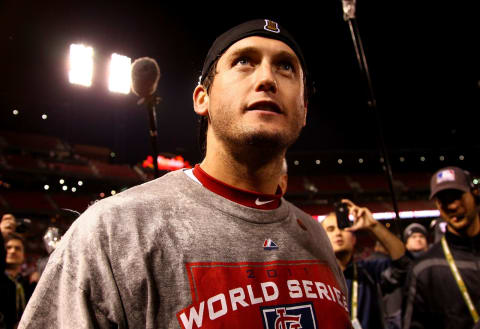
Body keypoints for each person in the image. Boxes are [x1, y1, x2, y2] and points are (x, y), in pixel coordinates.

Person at [19, 19, 351, 328]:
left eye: (286, 67)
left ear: (304, 110)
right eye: (243, 61)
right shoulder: (112, 231)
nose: (267, 78)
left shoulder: (315, 236)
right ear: (201, 98)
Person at [403, 166, 480, 329]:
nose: (452, 206)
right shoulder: (424, 269)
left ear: (475, 194)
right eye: (443, 200)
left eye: (457, 197)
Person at [321, 199, 408, 329]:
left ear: (354, 238)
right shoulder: (314, 278)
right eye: (330, 229)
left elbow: (403, 262)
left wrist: (373, 226)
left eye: (343, 227)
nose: (338, 233)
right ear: (321, 238)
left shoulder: (370, 271)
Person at [4, 233, 36, 326]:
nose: (13, 251)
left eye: (17, 248)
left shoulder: (29, 284)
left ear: (24, 255)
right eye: (8, 248)